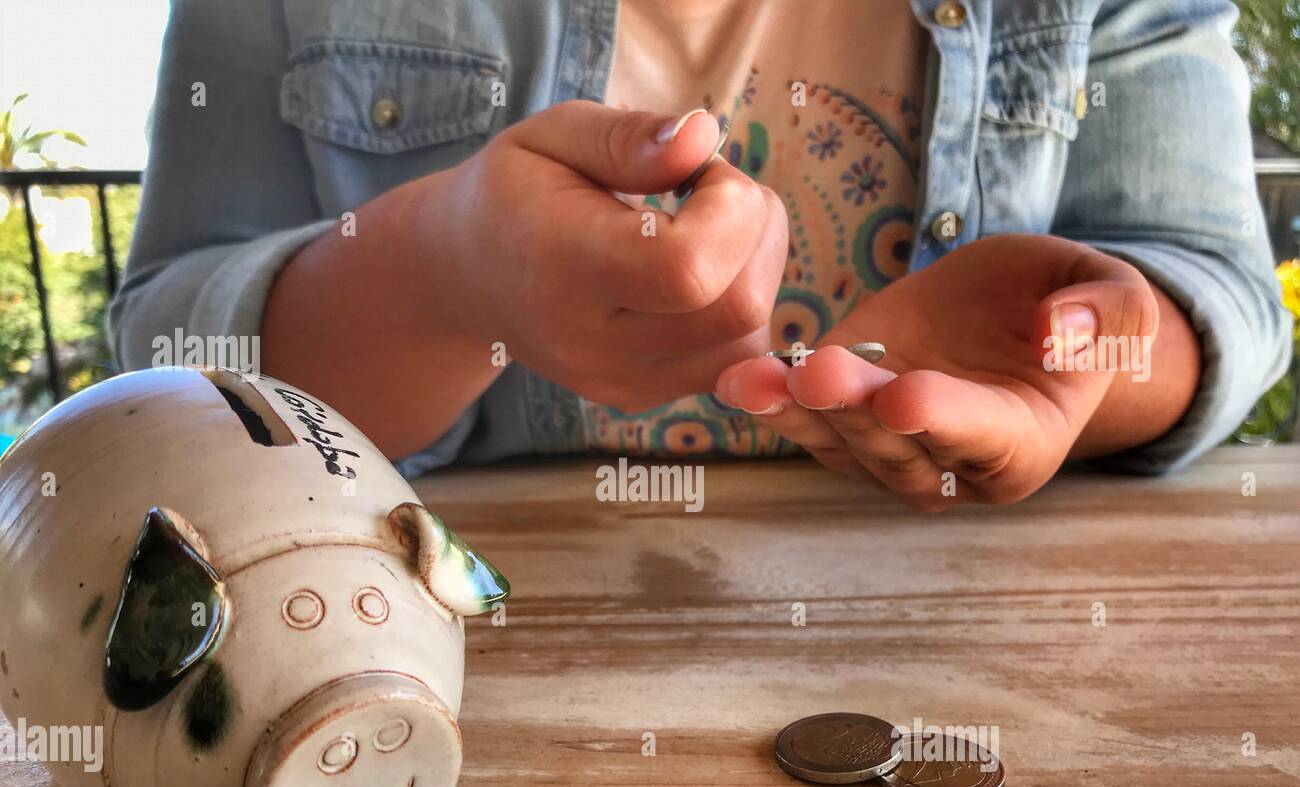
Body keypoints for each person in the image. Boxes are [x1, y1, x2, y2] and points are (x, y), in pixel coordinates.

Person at [109, 0, 1291, 511]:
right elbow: (165, 351)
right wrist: (440, 279)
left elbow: (1209, 288)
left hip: (975, 631)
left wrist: (1077, 362)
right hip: (415, 635)